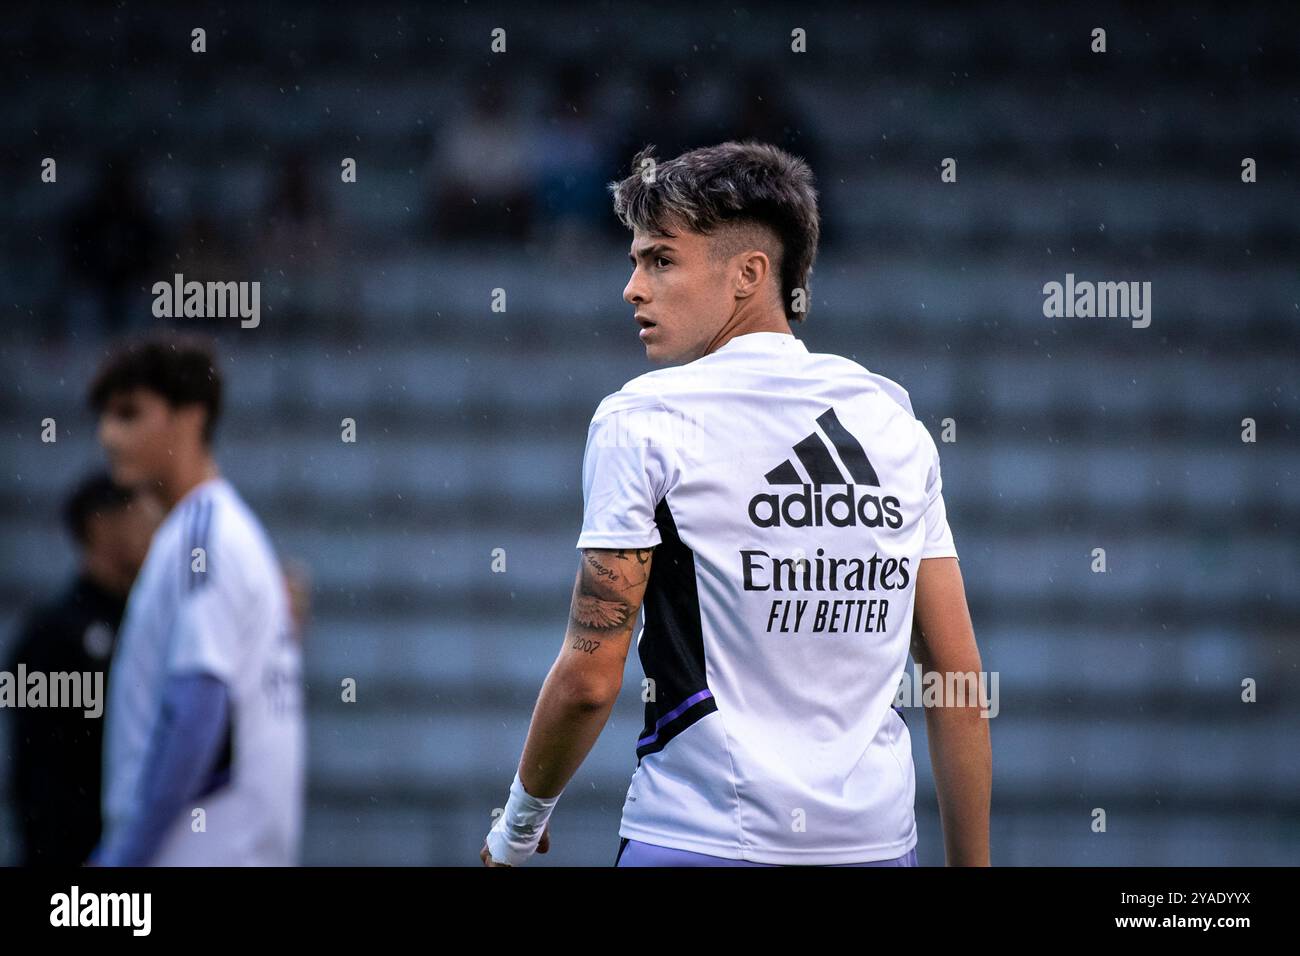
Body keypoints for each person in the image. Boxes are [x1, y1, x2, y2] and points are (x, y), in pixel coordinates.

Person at [483, 141, 990, 867]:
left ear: (750, 274)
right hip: (875, 850)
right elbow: (957, 677)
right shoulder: (892, 421)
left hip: (700, 841)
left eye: (660, 260)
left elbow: (591, 677)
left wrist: (518, 826)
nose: (632, 286)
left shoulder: (644, 418)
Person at [86, 333, 305, 866]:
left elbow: (197, 708)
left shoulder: (202, 534)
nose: (108, 436)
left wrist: (125, 856)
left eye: (129, 413)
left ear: (189, 416)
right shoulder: (221, 528)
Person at [5, 474, 162, 865]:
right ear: (100, 525)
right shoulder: (52, 637)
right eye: (139, 513)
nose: (155, 526)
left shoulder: (150, 624)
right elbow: (40, 776)